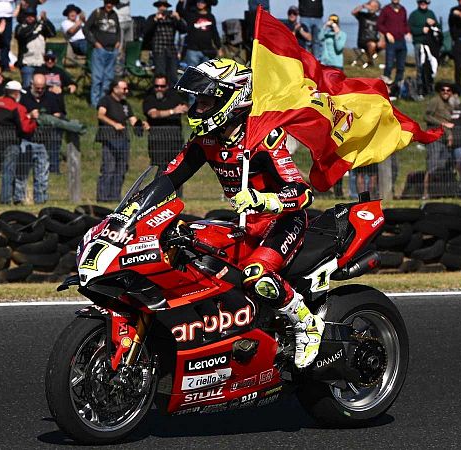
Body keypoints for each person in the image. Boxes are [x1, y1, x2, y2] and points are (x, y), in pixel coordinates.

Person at [168, 58, 323, 368]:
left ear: (231, 98)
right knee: (186, 247)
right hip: (245, 224)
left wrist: (263, 199)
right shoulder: (206, 139)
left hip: (282, 221)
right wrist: (134, 210)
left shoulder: (262, 137)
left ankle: (306, 323)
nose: (197, 108)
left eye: (206, 100)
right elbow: (168, 179)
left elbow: (303, 192)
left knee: (256, 274)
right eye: (197, 100)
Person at [96, 79, 149, 202]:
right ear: (115, 89)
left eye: (127, 88)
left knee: (121, 169)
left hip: (123, 139)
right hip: (109, 139)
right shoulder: (106, 100)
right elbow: (101, 115)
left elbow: (132, 120)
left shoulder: (125, 104)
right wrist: (114, 124)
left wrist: (141, 124)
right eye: (124, 89)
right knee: (109, 168)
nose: (126, 91)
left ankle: (115, 197)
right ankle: (103, 197)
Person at [0, 80, 40, 205]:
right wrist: (33, 120)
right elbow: (25, 128)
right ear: (16, 93)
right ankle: (5, 200)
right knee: (8, 171)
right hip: (10, 142)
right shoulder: (18, 107)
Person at [142, 74, 188, 180]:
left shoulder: (174, 96)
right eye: (157, 86)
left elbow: (185, 107)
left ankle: (176, 195)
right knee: (160, 168)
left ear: (167, 86)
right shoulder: (149, 98)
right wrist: (173, 111)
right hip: (158, 139)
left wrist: (184, 108)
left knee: (176, 168)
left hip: (175, 138)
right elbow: (153, 114)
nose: (159, 89)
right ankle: (158, 194)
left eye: (162, 86)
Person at [21, 73, 65, 174]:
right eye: (37, 88)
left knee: (56, 135)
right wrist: (30, 115)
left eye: (42, 88)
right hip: (29, 130)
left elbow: (57, 112)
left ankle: (54, 168)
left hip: (47, 131)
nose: (40, 91)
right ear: (32, 84)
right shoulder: (24, 96)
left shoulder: (50, 96)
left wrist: (53, 117)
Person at [84, 0, 121, 107]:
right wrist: (95, 43)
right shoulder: (97, 12)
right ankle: (95, 103)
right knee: (97, 78)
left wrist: (118, 42)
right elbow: (86, 29)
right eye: (107, 2)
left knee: (108, 78)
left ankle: (103, 102)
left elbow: (118, 30)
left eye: (111, 3)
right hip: (100, 50)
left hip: (112, 50)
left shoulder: (115, 14)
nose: (109, 5)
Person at [423, 81, 455, 199]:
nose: (445, 92)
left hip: (445, 140)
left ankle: (437, 192)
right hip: (434, 137)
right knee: (432, 165)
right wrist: (442, 124)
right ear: (439, 91)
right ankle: (426, 193)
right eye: (443, 90)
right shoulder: (435, 101)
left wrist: (449, 135)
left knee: (442, 166)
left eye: (448, 90)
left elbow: (449, 124)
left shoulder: (449, 104)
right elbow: (426, 116)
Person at [144, 1, 186, 85]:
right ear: (157, 7)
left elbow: (183, 30)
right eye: (160, 6)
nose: (162, 8)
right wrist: (155, 20)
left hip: (171, 50)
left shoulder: (172, 18)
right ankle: (159, 91)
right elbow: (145, 32)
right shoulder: (152, 17)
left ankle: (172, 94)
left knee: (173, 74)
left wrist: (178, 18)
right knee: (160, 74)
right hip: (158, 49)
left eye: (164, 6)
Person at [14, 9, 56, 89]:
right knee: (27, 86)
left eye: (32, 16)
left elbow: (52, 33)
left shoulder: (41, 27)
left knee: (42, 85)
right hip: (27, 63)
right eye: (28, 16)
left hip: (41, 62)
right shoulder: (20, 27)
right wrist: (37, 24)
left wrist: (46, 20)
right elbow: (24, 34)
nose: (30, 18)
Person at [377, 0, 410, 96]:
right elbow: (379, 24)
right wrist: (387, 33)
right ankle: (385, 89)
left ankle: (396, 89)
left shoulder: (403, 9)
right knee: (389, 65)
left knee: (401, 67)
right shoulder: (386, 9)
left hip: (402, 41)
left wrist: (408, 32)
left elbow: (405, 24)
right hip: (391, 42)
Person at [409, 0, 439, 96]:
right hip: (419, 44)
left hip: (430, 45)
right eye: (421, 2)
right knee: (420, 67)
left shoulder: (431, 13)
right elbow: (409, 28)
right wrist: (421, 30)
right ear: (418, 3)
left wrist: (433, 23)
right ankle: (420, 89)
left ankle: (430, 88)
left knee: (431, 66)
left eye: (425, 2)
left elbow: (438, 27)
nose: (423, 4)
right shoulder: (414, 14)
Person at [181, 0, 221, 68]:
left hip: (207, 51)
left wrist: (219, 47)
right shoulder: (191, 15)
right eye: (198, 1)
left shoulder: (210, 17)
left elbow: (215, 32)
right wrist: (180, 2)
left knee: (206, 75)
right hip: (192, 50)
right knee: (192, 75)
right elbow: (181, 12)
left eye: (203, 2)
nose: (200, 4)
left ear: (206, 4)